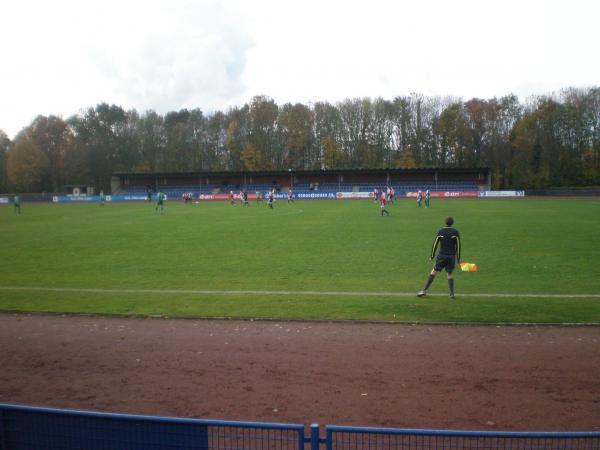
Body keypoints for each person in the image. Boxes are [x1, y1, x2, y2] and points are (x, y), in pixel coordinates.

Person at [417, 216, 461, 299]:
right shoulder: (455, 232)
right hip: (451, 257)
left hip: (442, 256)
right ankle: (451, 294)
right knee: (449, 274)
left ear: (445, 222)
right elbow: (458, 246)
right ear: (452, 223)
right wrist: (458, 259)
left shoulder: (441, 231)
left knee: (434, 271)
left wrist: (432, 256)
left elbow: (435, 244)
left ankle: (424, 290)